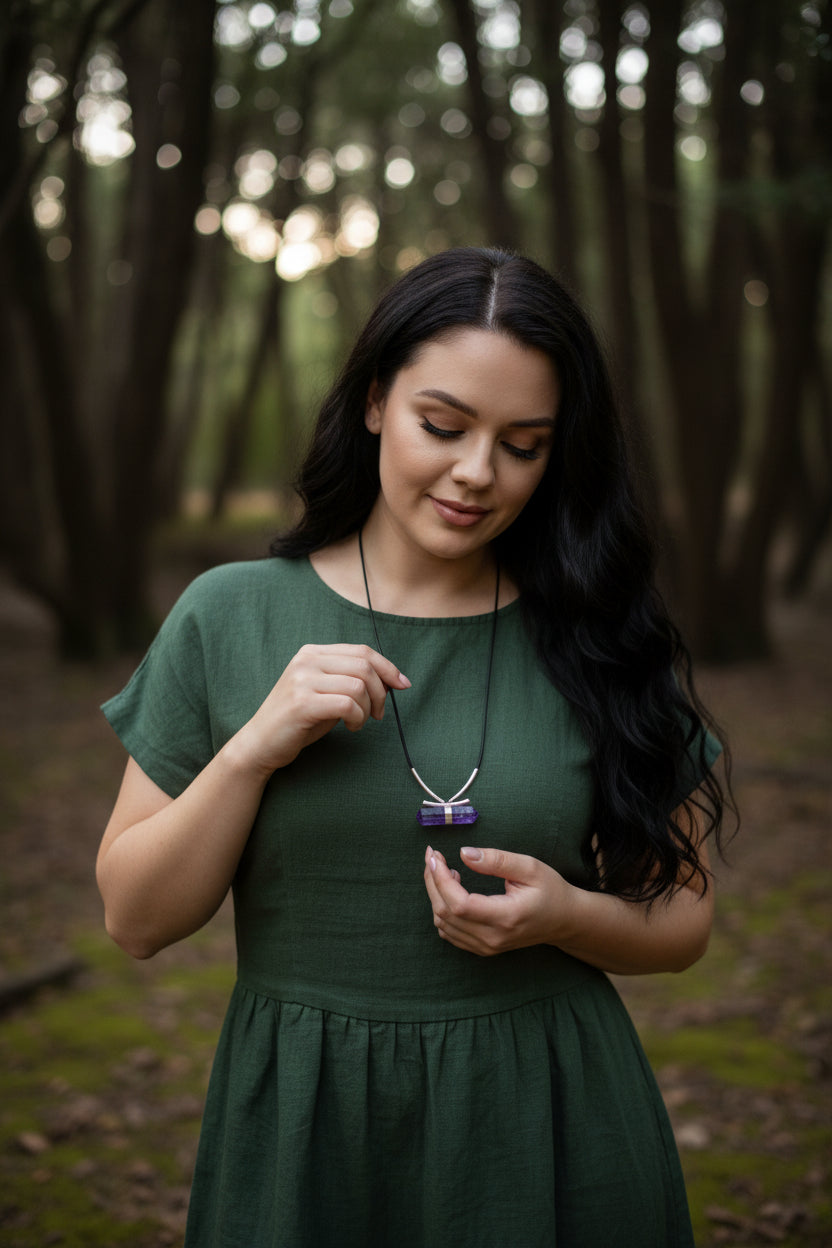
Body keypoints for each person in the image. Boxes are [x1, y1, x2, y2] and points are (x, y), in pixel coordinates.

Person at [97, 247, 731, 1247]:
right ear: (372, 402)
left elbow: (679, 923)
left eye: (523, 444)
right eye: (444, 425)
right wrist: (253, 749)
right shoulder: (228, 617)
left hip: (548, 1119)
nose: (477, 472)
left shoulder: (601, 635)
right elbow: (134, 919)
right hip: (306, 1127)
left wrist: (563, 915)